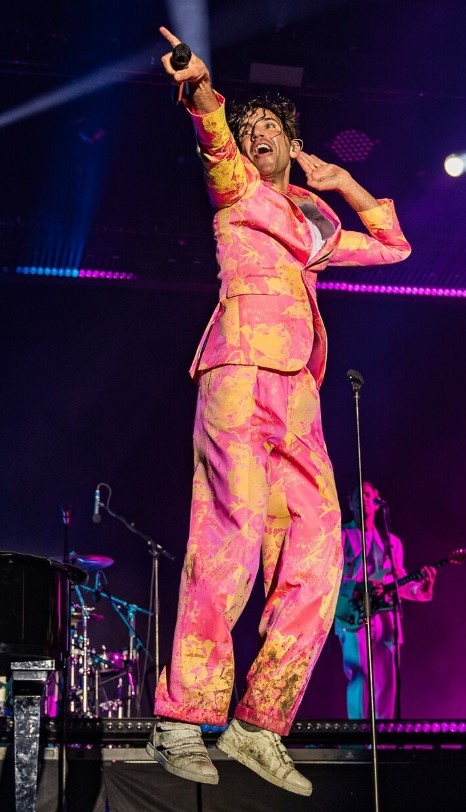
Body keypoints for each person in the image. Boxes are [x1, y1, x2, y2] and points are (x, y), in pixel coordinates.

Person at [146, 26, 412, 796]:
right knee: (230, 536)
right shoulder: (236, 186)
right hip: (237, 371)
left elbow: (392, 247)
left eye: (271, 128)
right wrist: (199, 87)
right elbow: (211, 132)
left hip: (298, 389)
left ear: (295, 147)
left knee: (322, 550)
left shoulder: (313, 223)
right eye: (250, 128)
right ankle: (180, 717)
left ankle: (260, 723)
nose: (255, 134)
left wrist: (343, 182)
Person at [334, 481, 436, 719]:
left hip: (385, 615)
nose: (364, 500)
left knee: (387, 678)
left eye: (368, 495)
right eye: (358, 496)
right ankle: (359, 735)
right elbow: (329, 577)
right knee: (360, 673)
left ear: (377, 500)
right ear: (350, 503)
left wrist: (421, 588)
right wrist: (357, 586)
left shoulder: (391, 542)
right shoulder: (341, 536)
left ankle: (385, 735)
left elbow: (399, 580)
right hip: (354, 613)